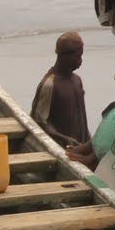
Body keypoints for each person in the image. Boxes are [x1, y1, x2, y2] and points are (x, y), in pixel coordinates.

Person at [32, 32, 95, 163]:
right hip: (61, 149)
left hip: (80, 146)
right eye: (77, 57)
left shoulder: (77, 80)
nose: (81, 60)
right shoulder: (49, 85)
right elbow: (40, 121)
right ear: (63, 56)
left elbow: (81, 117)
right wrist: (64, 138)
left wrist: (88, 142)